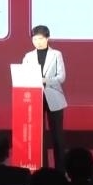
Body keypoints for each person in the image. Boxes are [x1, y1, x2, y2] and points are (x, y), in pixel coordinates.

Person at [22, 25, 67, 171]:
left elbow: (61, 77)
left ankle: (60, 169)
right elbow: (23, 75)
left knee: (57, 136)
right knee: (38, 136)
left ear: (47, 38)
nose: (38, 42)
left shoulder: (56, 54)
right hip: (35, 99)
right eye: (34, 39)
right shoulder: (28, 56)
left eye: (41, 39)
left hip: (54, 97)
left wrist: (45, 80)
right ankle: (43, 169)